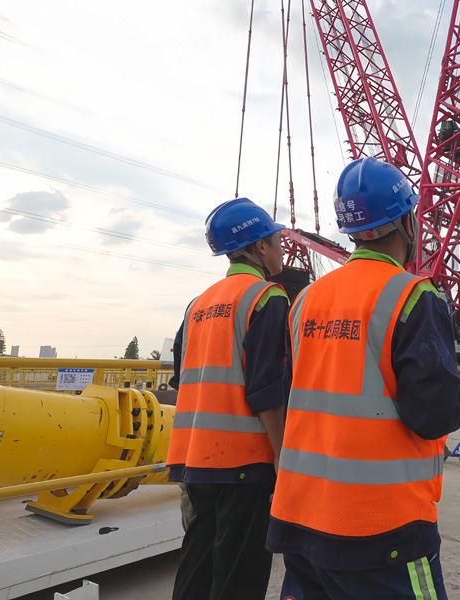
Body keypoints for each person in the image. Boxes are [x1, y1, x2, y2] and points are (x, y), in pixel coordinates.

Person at [268, 157, 460, 599]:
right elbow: (433, 416)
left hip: (300, 517)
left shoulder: (305, 301)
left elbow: (294, 398)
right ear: (406, 222)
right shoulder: (412, 295)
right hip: (382, 527)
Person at [166, 197, 290, 600]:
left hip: (196, 459)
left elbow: (181, 378)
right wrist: (282, 457)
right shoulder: (267, 299)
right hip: (245, 462)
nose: (281, 247)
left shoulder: (197, 305)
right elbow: (268, 392)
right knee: (239, 576)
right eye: (275, 239)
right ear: (258, 248)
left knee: (197, 565)